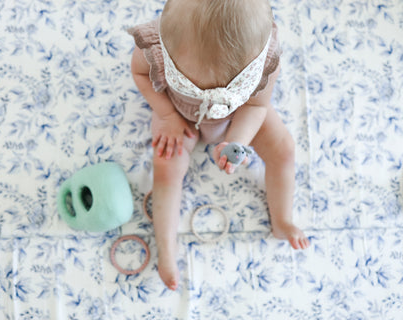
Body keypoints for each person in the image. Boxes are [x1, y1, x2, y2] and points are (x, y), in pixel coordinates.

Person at [129, 0, 310, 291]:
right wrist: (167, 116)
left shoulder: (264, 59)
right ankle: (166, 248)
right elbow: (140, 74)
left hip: (242, 112)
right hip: (180, 116)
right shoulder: (156, 46)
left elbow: (257, 105)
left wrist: (236, 141)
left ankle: (283, 219)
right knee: (165, 168)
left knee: (285, 150)